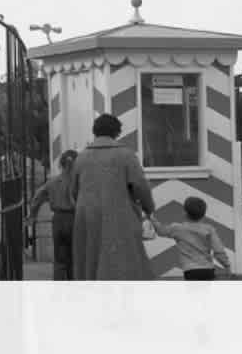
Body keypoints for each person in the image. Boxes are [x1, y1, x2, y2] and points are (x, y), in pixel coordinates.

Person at [71, 113, 157, 280]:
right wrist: (149, 208)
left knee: (90, 257)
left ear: (94, 132)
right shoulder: (126, 155)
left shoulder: (81, 157)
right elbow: (140, 186)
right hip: (120, 214)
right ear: (117, 133)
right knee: (123, 260)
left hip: (87, 216)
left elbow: (74, 190)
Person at [150, 197, 232, 280]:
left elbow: (161, 231)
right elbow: (218, 250)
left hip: (190, 271)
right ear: (204, 214)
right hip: (208, 270)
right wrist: (227, 266)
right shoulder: (209, 229)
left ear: (185, 213)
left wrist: (152, 219)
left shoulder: (177, 228)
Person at [27, 150, 79, 280]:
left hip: (58, 220)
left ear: (61, 164)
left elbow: (38, 197)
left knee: (59, 257)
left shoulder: (53, 182)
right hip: (75, 219)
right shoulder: (79, 182)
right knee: (74, 256)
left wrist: (32, 215)